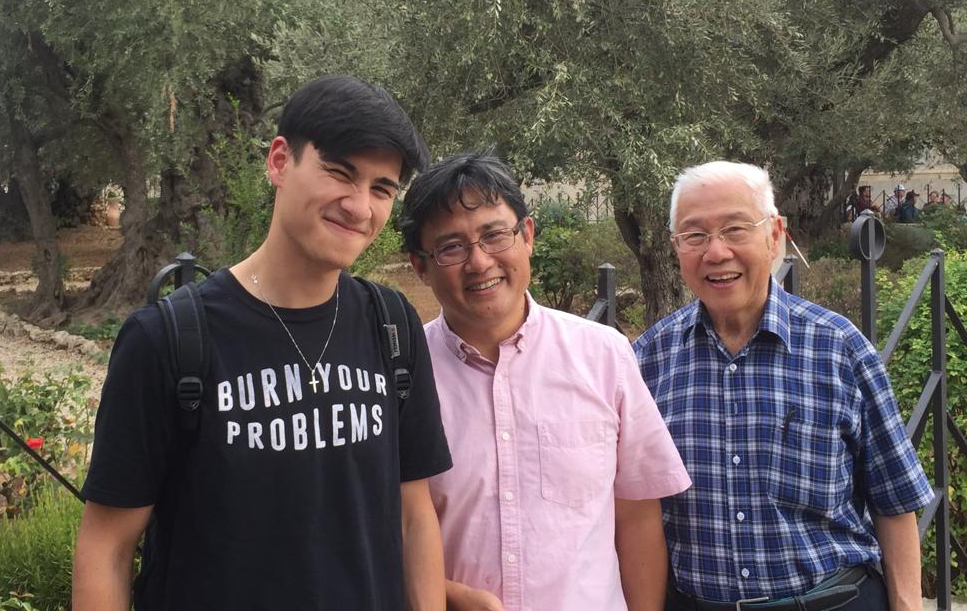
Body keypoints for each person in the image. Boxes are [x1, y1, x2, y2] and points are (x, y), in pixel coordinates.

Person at [72, 76, 452, 611]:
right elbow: (106, 547)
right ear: (279, 161)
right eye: (340, 173)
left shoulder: (391, 326)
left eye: (382, 189)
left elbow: (414, 518)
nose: (359, 206)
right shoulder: (167, 341)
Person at [398, 152, 691, 611]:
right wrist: (449, 596)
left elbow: (636, 518)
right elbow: (387, 530)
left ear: (527, 235)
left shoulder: (604, 356)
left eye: (495, 235)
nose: (479, 262)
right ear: (421, 265)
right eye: (451, 247)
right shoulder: (400, 377)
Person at [635, 160, 933, 611]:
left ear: (775, 235)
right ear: (677, 247)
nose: (715, 253)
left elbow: (895, 499)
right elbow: (632, 514)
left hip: (833, 599)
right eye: (695, 236)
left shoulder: (839, 349)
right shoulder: (649, 360)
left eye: (736, 229)